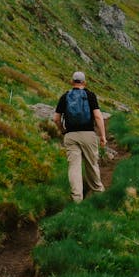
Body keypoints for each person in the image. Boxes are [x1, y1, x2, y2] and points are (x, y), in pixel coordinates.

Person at [54, 71, 107, 202]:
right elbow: (98, 117)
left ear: (72, 82)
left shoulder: (65, 96)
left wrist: (63, 130)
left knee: (74, 167)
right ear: (84, 82)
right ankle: (98, 193)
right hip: (88, 134)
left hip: (70, 136)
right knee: (92, 164)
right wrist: (103, 136)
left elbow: (56, 118)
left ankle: (77, 198)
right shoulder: (90, 96)